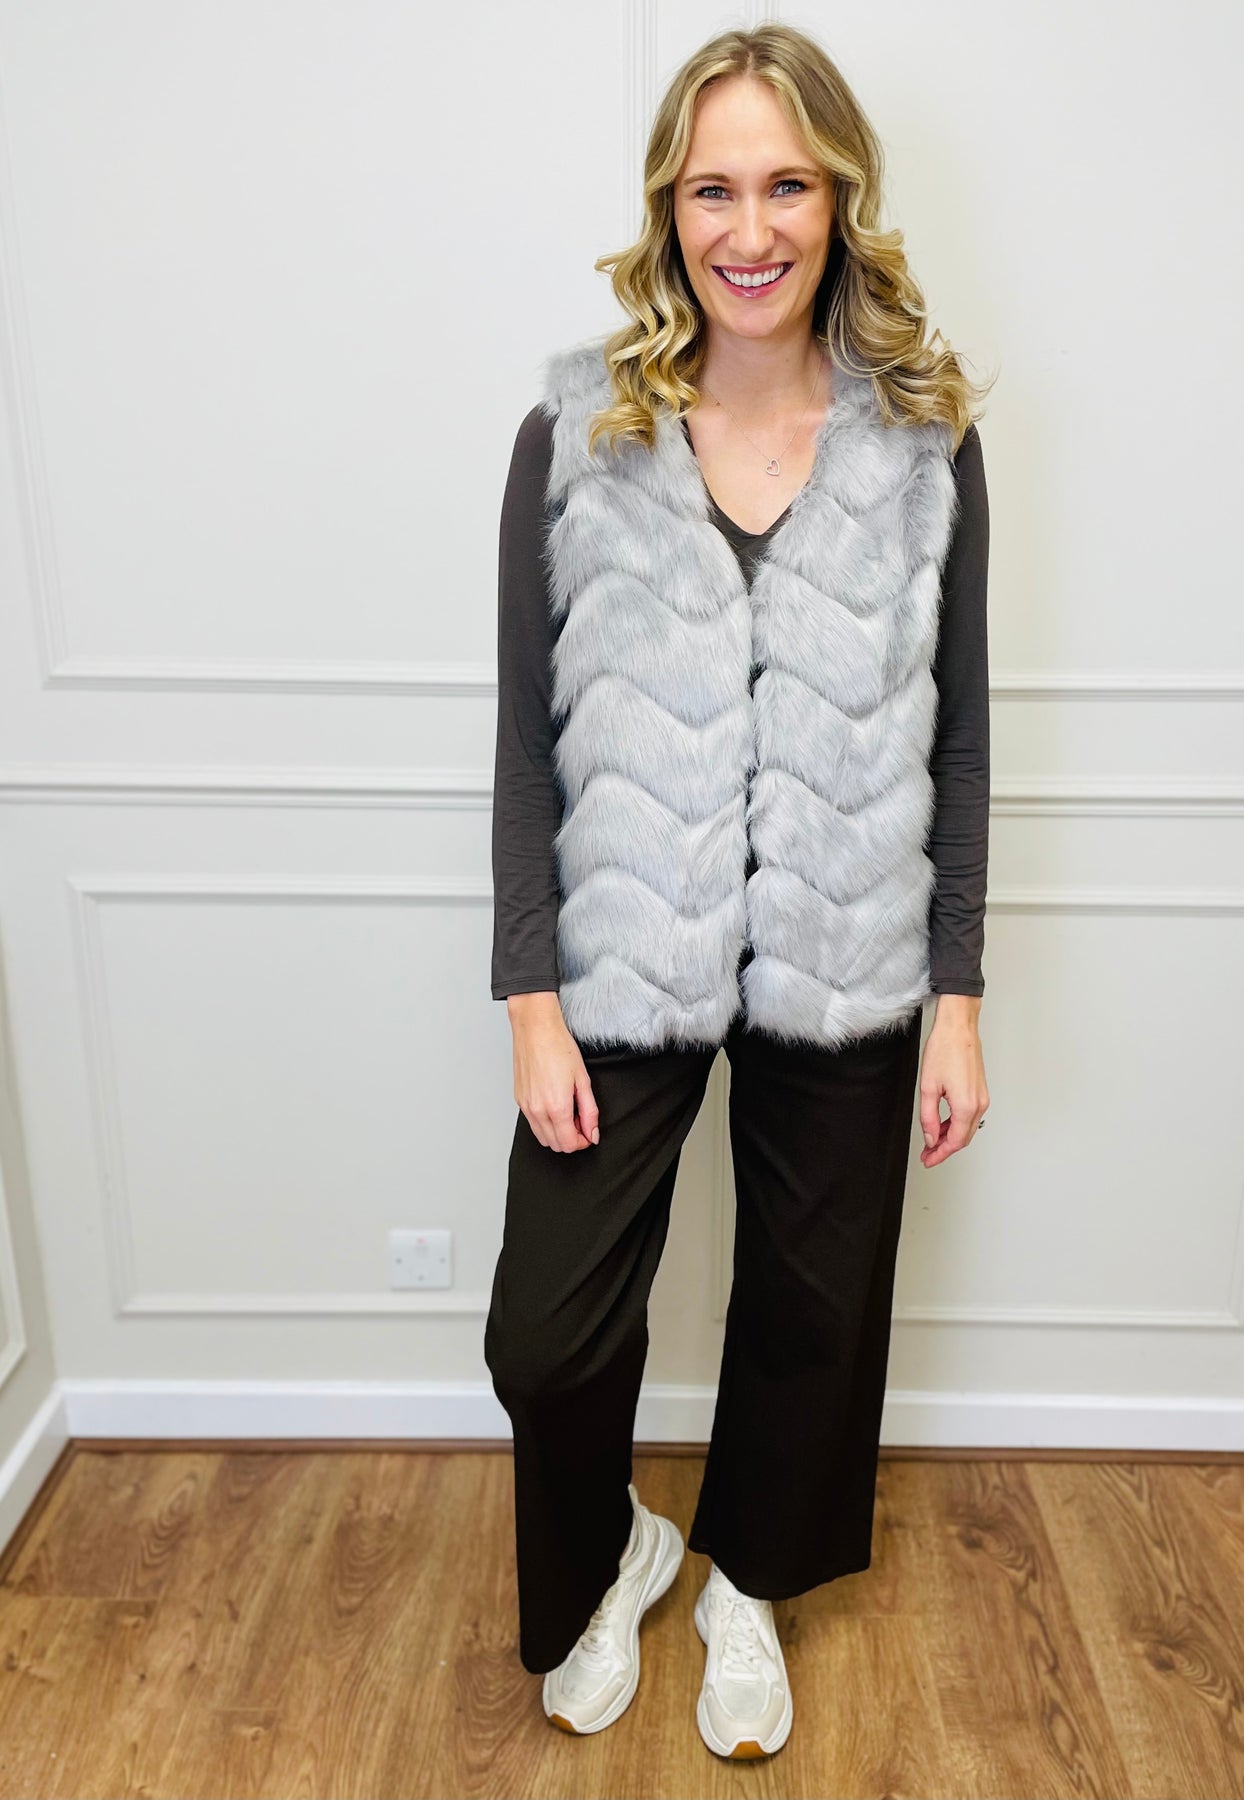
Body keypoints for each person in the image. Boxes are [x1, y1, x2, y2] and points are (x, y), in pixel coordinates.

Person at [484, 21, 993, 1761]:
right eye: (714, 189)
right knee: (546, 1338)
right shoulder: (576, 435)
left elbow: (962, 743)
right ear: (669, 208)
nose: (750, 228)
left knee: (812, 1313)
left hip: (849, 948)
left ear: (839, 201)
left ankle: (747, 1584)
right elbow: (526, 748)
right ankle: (618, 1550)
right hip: (624, 947)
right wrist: (531, 998)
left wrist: (955, 1004)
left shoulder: (923, 448)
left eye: (787, 185)